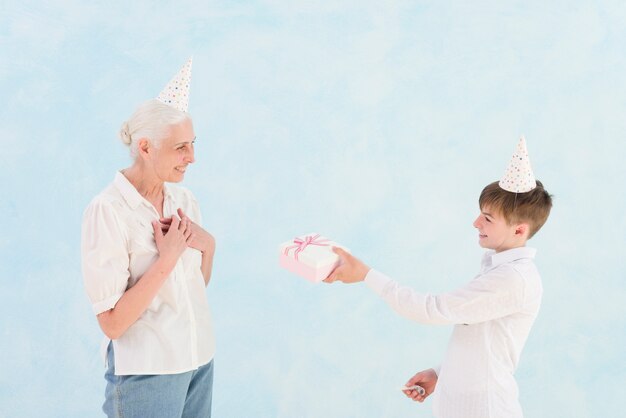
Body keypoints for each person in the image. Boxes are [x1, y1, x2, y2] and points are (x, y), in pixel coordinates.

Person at [324, 137, 553, 418]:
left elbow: (431, 310)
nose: (476, 223)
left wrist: (366, 275)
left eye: (488, 218)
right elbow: (485, 344)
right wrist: (440, 374)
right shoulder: (500, 271)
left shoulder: (512, 279)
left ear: (519, 231)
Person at [81, 59, 217, 417]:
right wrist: (167, 259)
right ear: (145, 147)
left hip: (198, 362)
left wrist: (209, 247)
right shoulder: (108, 210)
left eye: (192, 144)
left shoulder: (184, 201)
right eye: (180, 148)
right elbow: (111, 322)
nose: (192, 158)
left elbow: (192, 288)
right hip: (147, 373)